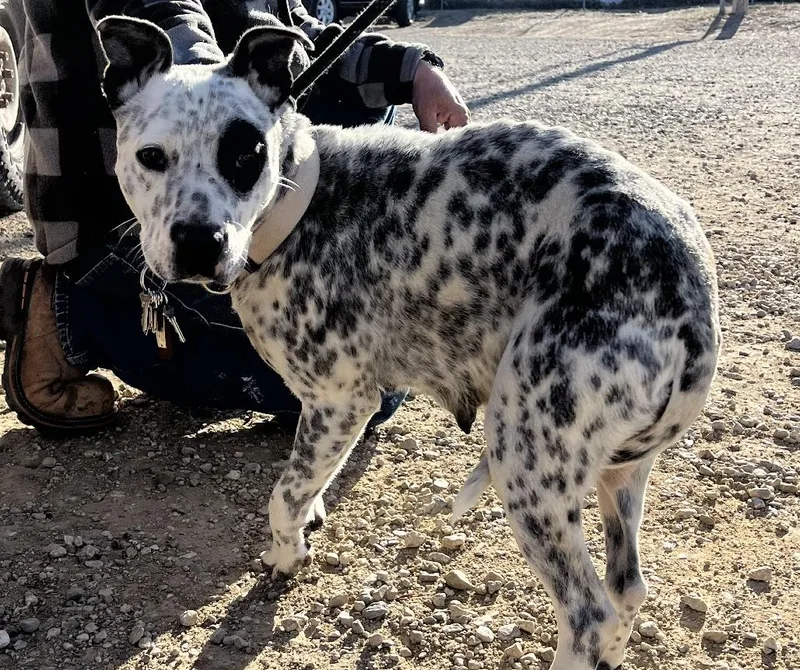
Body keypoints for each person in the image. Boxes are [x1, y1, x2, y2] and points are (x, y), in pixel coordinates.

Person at [0, 0, 470, 435]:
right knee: (373, 389)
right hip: (100, 218)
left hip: (206, 176)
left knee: (372, 104)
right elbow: (162, 5)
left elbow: (286, 36)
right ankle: (66, 310)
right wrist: (210, 92)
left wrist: (412, 70)